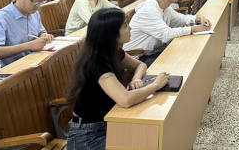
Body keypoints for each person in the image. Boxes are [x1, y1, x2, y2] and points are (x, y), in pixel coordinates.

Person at [66, 8, 169, 150]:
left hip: (108, 122)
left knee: (155, 138)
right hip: (88, 136)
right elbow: (125, 100)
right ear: (112, 33)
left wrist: (136, 78)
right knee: (148, 143)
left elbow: (140, 65)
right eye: (125, 25)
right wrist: (155, 86)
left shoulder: (113, 51)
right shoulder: (97, 63)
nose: (130, 28)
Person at [123, 0, 211, 66]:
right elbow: (166, 35)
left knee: (185, 52)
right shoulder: (149, 10)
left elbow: (180, 19)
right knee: (180, 60)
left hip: (152, 52)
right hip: (137, 58)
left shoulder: (166, 7)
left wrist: (198, 18)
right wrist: (193, 29)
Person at [0, 0, 54, 66]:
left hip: (34, 61)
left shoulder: (34, 12)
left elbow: (40, 31)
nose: (38, 6)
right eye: (35, 1)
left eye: (42, 1)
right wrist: (28, 45)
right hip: (12, 68)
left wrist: (44, 35)